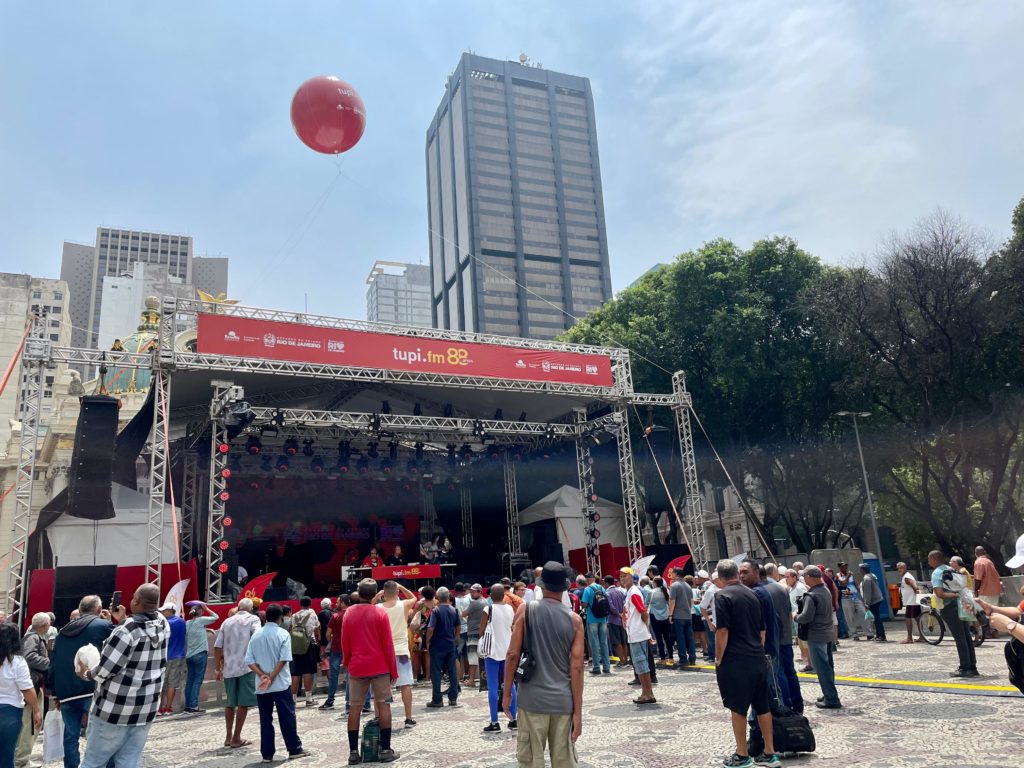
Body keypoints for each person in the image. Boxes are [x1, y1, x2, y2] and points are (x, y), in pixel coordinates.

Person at [77, 584, 169, 768]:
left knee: (93, 762)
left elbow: (105, 670)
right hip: (145, 709)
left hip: (114, 710)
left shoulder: (126, 631)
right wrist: (124, 619)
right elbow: (144, 627)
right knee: (129, 762)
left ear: (136, 601)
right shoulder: (163, 624)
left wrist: (86, 674)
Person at [503, 562, 583, 768]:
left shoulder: (526, 610)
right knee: (564, 762)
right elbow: (577, 668)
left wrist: (507, 692)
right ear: (564, 587)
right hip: (563, 701)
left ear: (541, 585)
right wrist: (578, 713)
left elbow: (512, 655)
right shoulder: (575, 620)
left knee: (531, 761)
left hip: (531, 699)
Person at [713, 560, 779, 768]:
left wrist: (718, 657)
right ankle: (770, 752)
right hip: (757, 657)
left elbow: (722, 630)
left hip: (736, 659)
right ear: (736, 574)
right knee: (762, 706)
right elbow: (762, 630)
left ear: (721, 577)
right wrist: (757, 650)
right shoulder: (753, 594)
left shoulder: (722, 596)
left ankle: (742, 755)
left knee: (738, 707)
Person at [48, 595, 118, 768]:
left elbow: (54, 663)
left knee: (70, 735)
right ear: (98, 609)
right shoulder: (102, 626)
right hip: (92, 688)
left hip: (66, 692)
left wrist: (55, 693)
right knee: (102, 733)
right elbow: (120, 647)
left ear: (80, 610)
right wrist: (111, 621)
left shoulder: (62, 632)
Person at [341, 579, 399, 765]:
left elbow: (345, 642)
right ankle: (385, 750)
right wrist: (393, 670)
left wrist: (347, 662)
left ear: (358, 593)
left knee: (355, 707)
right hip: (380, 667)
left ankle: (353, 753)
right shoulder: (380, 613)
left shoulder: (349, 613)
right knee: (384, 705)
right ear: (375, 594)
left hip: (357, 667)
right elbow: (388, 645)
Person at [245, 604, 310, 762]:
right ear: (280, 617)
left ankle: (267, 754)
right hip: (280, 684)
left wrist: (262, 675)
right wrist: (272, 676)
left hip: (262, 685)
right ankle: (294, 748)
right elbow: (284, 659)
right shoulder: (283, 634)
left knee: (265, 720)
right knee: (287, 716)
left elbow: (249, 661)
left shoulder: (256, 635)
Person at [214, 597, 261, 749]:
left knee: (230, 703)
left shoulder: (226, 622)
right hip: (246, 667)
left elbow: (217, 646)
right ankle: (236, 737)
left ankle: (228, 737)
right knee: (243, 703)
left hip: (229, 668)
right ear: (251, 608)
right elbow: (258, 637)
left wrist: (218, 668)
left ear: (238, 607)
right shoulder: (253, 619)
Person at [373, 580, 419, 728]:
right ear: (397, 592)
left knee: (381, 687)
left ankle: (378, 717)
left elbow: (368, 606)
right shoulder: (403, 605)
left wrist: (377, 596)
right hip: (401, 650)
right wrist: (402, 587)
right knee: (405, 684)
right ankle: (408, 718)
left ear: (383, 594)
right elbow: (414, 598)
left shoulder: (377, 608)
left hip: (383, 652)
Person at [795, 566, 841, 709]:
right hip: (827, 633)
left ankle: (831, 699)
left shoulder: (812, 595)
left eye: (805, 576)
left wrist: (795, 616)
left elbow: (806, 617)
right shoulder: (825, 590)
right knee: (828, 666)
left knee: (822, 668)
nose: (804, 579)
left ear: (810, 577)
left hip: (816, 635)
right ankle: (829, 693)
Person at [929, 550, 978, 677]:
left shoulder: (937, 573)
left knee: (959, 637)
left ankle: (965, 667)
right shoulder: (951, 569)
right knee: (966, 636)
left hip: (950, 607)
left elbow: (939, 593)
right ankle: (972, 666)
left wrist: (954, 595)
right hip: (962, 605)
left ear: (933, 558)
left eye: (929, 559)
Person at [0, 623, 41, 768]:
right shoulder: (17, 661)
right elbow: (27, 689)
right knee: (7, 754)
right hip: (10, 712)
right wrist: (36, 710)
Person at [478, 583, 517, 732]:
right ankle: (513, 719)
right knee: (510, 685)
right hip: (507, 651)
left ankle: (494, 722)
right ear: (504, 595)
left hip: (492, 652)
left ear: (490, 595)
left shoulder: (488, 609)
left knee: (492, 687)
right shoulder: (509, 609)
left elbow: (481, 630)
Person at [763, 563, 802, 714]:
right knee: (790, 671)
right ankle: (797, 704)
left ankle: (785, 704)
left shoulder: (762, 590)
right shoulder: (782, 588)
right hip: (785, 636)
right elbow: (788, 613)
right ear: (774, 573)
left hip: (773, 639)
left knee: (778, 673)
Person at [15, 612, 50, 768]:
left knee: (31, 724)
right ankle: (21, 760)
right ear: (45, 625)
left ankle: (22, 758)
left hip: (32, 685)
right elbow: (29, 657)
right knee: (30, 724)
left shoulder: (32, 636)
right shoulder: (33, 638)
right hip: (32, 686)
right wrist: (50, 663)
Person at [619, 567, 656, 704]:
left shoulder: (633, 592)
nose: (622, 579)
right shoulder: (630, 592)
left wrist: (645, 629)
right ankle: (646, 692)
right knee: (640, 664)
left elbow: (643, 611)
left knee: (641, 663)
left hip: (637, 633)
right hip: (635, 632)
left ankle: (648, 693)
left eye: (625, 576)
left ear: (631, 577)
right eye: (621, 577)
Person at [425, 586, 461, 708]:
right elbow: (458, 626)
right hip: (450, 644)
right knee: (452, 671)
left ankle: (437, 699)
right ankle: (453, 697)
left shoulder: (435, 611)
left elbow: (430, 628)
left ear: (437, 597)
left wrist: (428, 641)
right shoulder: (454, 610)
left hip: (437, 645)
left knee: (436, 672)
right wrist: (455, 638)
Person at [184, 603, 218, 713]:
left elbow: (195, 631)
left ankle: (187, 705)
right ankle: (193, 705)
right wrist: (207, 608)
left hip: (189, 655)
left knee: (190, 681)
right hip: (200, 654)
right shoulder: (201, 620)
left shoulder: (187, 623)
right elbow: (216, 617)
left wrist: (206, 629)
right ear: (200, 611)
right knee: (197, 681)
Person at [289, 596, 320, 707]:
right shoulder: (312, 614)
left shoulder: (294, 616)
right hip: (308, 645)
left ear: (300, 604)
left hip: (295, 645)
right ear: (310, 604)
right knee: (307, 671)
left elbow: (290, 629)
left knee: (295, 672)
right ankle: (308, 699)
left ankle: (292, 700)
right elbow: (317, 628)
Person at [319, 595, 347, 710]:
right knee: (351, 675)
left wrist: (333, 638)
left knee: (334, 675)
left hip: (336, 648)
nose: (336, 604)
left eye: (338, 602)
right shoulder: (351, 614)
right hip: (349, 648)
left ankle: (330, 700)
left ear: (343, 603)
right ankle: (351, 702)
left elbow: (327, 634)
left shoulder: (335, 616)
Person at [158, 603, 186, 715]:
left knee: (162, 683)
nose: (162, 612)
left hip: (165, 657)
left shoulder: (165, 623)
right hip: (178, 656)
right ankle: (168, 708)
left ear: (170, 610)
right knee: (172, 684)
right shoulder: (182, 622)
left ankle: (159, 708)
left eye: (164, 610)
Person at [580, 573, 610, 675]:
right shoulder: (602, 588)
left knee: (594, 643)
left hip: (592, 619)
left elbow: (584, 604)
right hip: (603, 618)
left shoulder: (587, 589)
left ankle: (596, 667)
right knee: (604, 643)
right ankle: (606, 666)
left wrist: (584, 604)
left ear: (587, 580)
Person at [668, 567, 696, 668]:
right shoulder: (688, 586)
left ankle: (683, 659)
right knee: (689, 637)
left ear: (676, 574)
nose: (671, 575)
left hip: (678, 615)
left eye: (672, 573)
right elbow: (691, 601)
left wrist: (670, 614)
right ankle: (692, 658)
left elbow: (672, 601)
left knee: (680, 638)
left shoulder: (674, 585)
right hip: (688, 615)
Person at [462, 584, 487, 687]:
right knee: (483, 656)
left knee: (472, 657)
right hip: (482, 632)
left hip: (473, 632)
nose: (471, 594)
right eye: (471, 592)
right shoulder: (485, 602)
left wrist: (469, 614)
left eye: (473, 592)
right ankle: (483, 680)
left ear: (479, 592)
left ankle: (471, 679)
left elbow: (463, 614)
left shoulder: (475, 603)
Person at [896, 563, 925, 643]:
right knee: (918, 618)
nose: (899, 570)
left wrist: (917, 590)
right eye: (898, 568)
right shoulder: (906, 576)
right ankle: (922, 636)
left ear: (905, 567)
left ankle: (909, 638)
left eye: (901, 568)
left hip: (911, 602)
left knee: (908, 618)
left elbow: (913, 585)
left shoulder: (907, 577)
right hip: (913, 601)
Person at [972, 546, 1003, 620]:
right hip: (995, 591)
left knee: (984, 614)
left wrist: (975, 591)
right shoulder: (989, 561)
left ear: (975, 554)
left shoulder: (978, 562)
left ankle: (989, 627)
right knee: (994, 613)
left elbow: (978, 579)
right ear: (985, 552)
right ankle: (996, 626)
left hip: (985, 592)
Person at [605, 575, 629, 667]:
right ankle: (625, 660)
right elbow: (625, 603)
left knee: (617, 642)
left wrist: (618, 613)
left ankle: (622, 661)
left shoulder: (608, 593)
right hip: (622, 620)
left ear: (606, 583)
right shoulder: (620, 591)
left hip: (613, 620)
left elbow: (611, 606)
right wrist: (622, 614)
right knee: (624, 641)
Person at [858, 564, 886, 642]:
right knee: (876, 618)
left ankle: (881, 635)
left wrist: (867, 604)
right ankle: (879, 634)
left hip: (874, 601)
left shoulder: (866, 578)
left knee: (876, 619)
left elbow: (868, 592)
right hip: (877, 599)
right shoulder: (872, 575)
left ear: (862, 570)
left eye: (860, 569)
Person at [648, 576, 673, 662]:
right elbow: (669, 603)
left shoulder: (651, 592)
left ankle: (662, 657)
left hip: (654, 616)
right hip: (665, 616)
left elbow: (646, 604)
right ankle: (671, 656)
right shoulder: (666, 591)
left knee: (659, 638)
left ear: (655, 583)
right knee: (667, 637)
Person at [701, 571, 722, 661]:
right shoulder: (710, 591)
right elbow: (702, 607)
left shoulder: (726, 587)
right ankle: (714, 657)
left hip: (726, 620)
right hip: (715, 621)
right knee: (714, 640)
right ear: (715, 580)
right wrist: (709, 623)